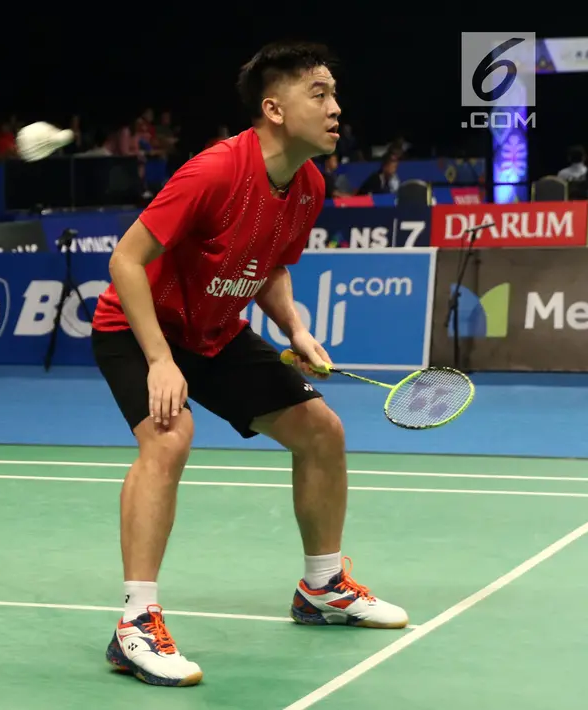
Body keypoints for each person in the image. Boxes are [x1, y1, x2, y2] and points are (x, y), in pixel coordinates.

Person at [89, 41, 408, 688]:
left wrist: (295, 325)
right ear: (272, 108)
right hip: (138, 327)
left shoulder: (308, 183)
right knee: (168, 436)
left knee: (320, 431)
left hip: (213, 332)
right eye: (317, 93)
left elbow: (270, 265)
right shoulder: (212, 172)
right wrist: (157, 360)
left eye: (333, 93)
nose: (334, 108)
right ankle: (135, 625)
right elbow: (125, 261)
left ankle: (321, 589)